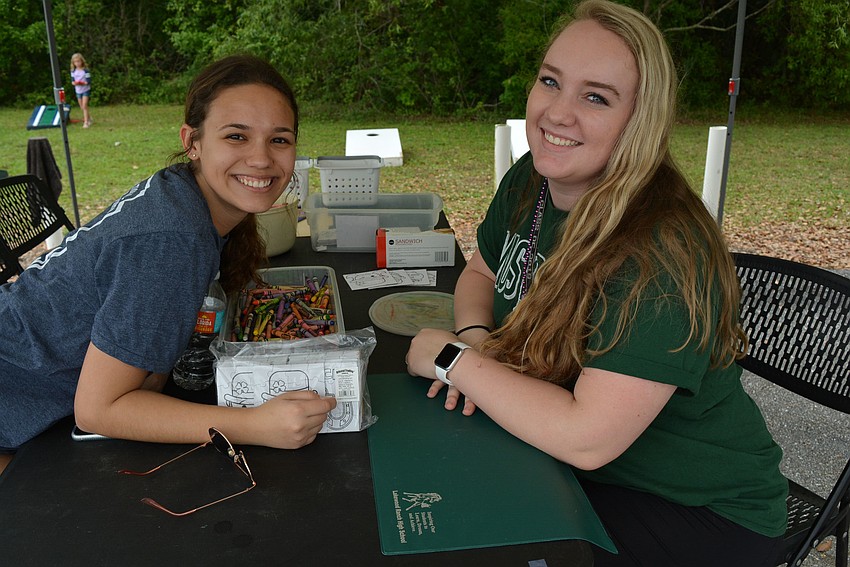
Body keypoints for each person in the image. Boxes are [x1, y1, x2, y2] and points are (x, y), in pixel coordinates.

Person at [405, 1, 787, 565]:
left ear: (640, 120)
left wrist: (452, 362)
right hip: (567, 454)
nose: (557, 114)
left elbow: (588, 439)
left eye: (596, 97)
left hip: (693, 506)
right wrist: (477, 344)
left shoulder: (664, 253)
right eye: (550, 81)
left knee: (473, 539)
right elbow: (481, 273)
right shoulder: (533, 178)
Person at [0, 54, 336, 476]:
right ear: (193, 141)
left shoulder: (182, 193)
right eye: (236, 136)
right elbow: (99, 410)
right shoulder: (174, 239)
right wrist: (255, 425)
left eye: (279, 140)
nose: (261, 158)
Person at [70, 53, 92, 127]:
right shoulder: (73, 71)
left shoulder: (85, 70)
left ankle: (86, 122)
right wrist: (75, 83)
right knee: (82, 107)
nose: (77, 63)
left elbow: (88, 81)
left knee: (85, 105)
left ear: (82, 61)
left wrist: (83, 83)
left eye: (78, 61)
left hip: (85, 89)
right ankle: (89, 118)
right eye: (75, 62)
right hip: (78, 90)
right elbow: (72, 81)